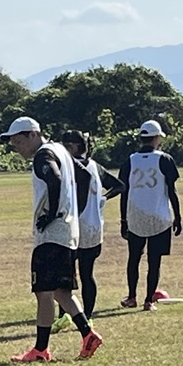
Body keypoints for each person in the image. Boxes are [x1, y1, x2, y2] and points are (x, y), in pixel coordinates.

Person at [0, 117, 102, 362]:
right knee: (60, 291)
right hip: (67, 231)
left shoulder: (43, 155)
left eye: (19, 141)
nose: (17, 148)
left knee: (43, 292)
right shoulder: (61, 151)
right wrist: (72, 211)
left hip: (52, 235)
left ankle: (40, 349)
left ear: (34, 134)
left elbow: (54, 180)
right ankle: (88, 334)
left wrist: (53, 213)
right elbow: (84, 177)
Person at [118, 120, 182, 311]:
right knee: (154, 261)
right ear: (156, 138)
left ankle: (131, 297)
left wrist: (123, 219)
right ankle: (148, 300)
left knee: (133, 259)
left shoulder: (130, 161)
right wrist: (178, 216)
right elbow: (172, 190)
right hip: (159, 217)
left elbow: (124, 192)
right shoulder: (165, 159)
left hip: (135, 216)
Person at [61, 130, 120, 320]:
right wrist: (104, 198)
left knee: (66, 276)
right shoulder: (96, 167)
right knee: (87, 274)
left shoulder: (69, 166)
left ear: (73, 147)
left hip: (73, 227)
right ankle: (88, 314)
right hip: (94, 228)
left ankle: (65, 314)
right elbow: (119, 185)